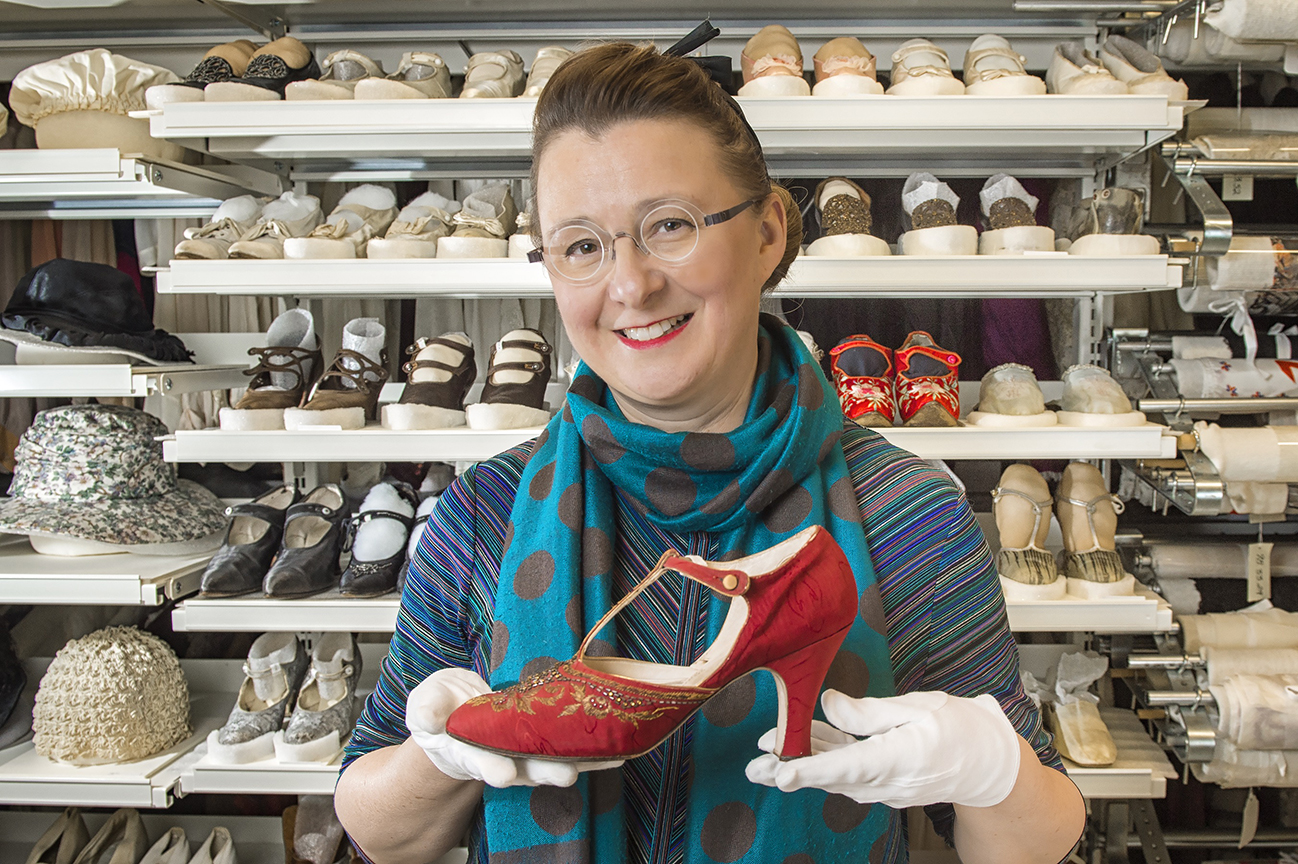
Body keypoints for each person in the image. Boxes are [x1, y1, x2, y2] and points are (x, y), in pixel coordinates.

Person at [335, 41, 1085, 864]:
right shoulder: (485, 511)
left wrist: (994, 770)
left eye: (669, 226)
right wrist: (435, 756)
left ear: (766, 233)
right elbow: (379, 832)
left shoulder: (907, 514)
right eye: (581, 245)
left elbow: (1032, 844)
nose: (629, 285)